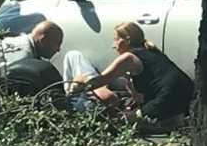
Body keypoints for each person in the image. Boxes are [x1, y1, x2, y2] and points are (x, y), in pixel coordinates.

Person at [65, 22, 193, 129]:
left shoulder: (128, 58)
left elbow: (101, 80)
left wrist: (81, 84)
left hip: (166, 99)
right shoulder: (150, 51)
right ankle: (176, 119)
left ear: (127, 40)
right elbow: (140, 96)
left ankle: (168, 122)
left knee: (129, 123)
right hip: (185, 96)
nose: (113, 45)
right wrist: (129, 83)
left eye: (115, 40)